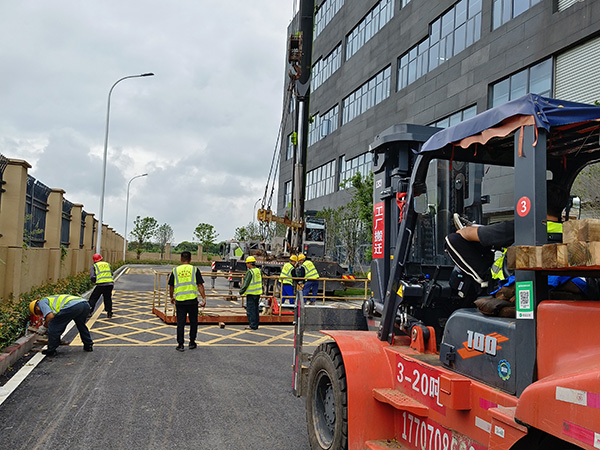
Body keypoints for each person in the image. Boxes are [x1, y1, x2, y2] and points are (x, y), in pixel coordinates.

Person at [445, 180, 570, 290]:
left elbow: (466, 234)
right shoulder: (567, 231)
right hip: (553, 285)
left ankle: (483, 281)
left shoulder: (520, 228)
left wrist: (466, 229)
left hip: (505, 285)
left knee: (452, 239)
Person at [29, 294, 94, 357]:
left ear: (37, 308)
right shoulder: (50, 299)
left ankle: (51, 350)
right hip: (85, 304)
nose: (41, 314)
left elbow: (50, 316)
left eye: (39, 313)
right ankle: (88, 345)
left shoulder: (41, 303)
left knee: (53, 325)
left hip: (72, 306)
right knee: (81, 325)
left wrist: (44, 327)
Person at [169, 251, 206, 352]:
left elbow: (171, 286)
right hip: (192, 301)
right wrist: (203, 298)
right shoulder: (194, 269)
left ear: (181, 259)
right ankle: (192, 342)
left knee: (180, 323)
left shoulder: (175, 270)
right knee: (193, 322)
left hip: (180, 301)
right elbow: (200, 285)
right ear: (190, 259)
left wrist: (171, 297)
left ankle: (180, 344)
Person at [239, 256, 262, 330]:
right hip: (257, 293)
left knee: (250, 310)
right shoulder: (258, 270)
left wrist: (241, 292)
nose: (246, 265)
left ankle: (252, 325)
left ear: (249, 263)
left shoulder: (250, 272)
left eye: (247, 263)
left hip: (251, 293)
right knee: (256, 310)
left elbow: (246, 283)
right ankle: (256, 324)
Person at [88, 253, 114, 318]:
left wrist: (95, 281)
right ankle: (109, 312)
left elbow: (92, 276)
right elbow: (111, 273)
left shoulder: (94, 266)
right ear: (101, 258)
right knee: (107, 298)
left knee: (93, 298)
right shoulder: (107, 264)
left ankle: (89, 312)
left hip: (100, 284)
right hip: (109, 284)